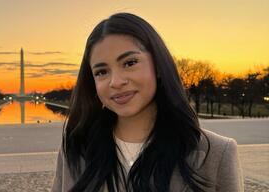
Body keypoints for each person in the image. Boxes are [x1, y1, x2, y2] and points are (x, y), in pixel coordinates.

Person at [52, 13, 243, 192]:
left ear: (158, 65)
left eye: (129, 63)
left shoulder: (217, 153)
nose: (116, 82)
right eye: (102, 72)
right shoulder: (75, 149)